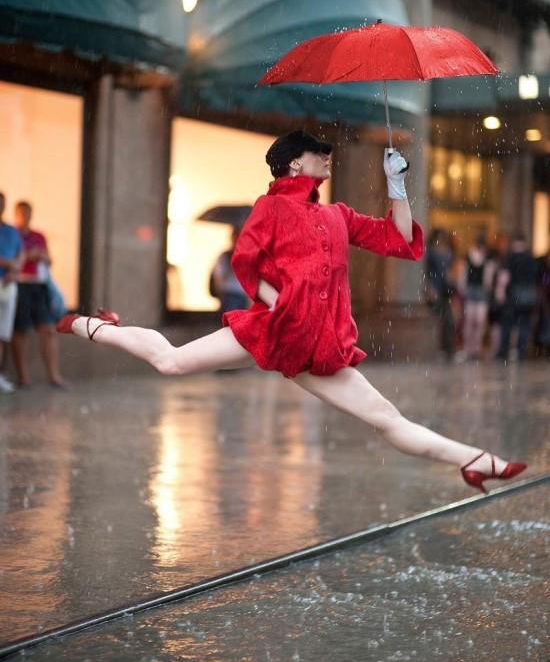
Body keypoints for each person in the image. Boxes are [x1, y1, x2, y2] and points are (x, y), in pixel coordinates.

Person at [57, 130, 526, 493]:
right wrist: (277, 304)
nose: (327, 156)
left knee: (385, 417)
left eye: (327, 150)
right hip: (271, 328)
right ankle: (93, 326)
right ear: (295, 162)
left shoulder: (337, 214)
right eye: (317, 152)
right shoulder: (270, 207)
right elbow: (245, 260)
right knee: (171, 361)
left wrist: (396, 184)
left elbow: (399, 239)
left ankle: (476, 461)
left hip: (317, 344)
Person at [12, 201, 67, 388]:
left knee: (49, 329)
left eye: (27, 213)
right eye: (21, 214)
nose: (25, 217)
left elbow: (49, 258)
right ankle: (24, 377)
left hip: (39, 285)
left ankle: (54, 375)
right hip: (20, 284)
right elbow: (13, 259)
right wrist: (28, 255)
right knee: (20, 331)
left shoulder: (38, 236)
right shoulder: (13, 234)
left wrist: (40, 255)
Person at [496, 233, 538, 361]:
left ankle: (504, 351)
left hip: (514, 295)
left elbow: (504, 276)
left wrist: (500, 291)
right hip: (529, 296)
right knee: (524, 325)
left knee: (508, 323)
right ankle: (521, 352)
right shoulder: (532, 259)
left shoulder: (510, 258)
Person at [457, 233, 496, 359]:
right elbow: (463, 273)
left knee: (479, 319)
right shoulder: (469, 256)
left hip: (481, 290)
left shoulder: (487, 258)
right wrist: (462, 286)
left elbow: (488, 276)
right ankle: (469, 346)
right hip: (471, 289)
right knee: (470, 319)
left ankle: (476, 346)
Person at [0, 192, 24, 393]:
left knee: (3, 332)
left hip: (7, 285)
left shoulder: (10, 231)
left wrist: (14, 269)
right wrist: (8, 263)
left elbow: (21, 253)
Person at [424, 228, 456, 360]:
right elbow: (425, 271)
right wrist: (429, 287)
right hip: (435, 288)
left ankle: (449, 350)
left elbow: (449, 270)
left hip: (446, 289)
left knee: (449, 320)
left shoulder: (448, 252)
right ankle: (438, 349)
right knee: (437, 320)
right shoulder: (429, 253)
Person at [209, 228, 250, 315]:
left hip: (241, 293)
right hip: (230, 293)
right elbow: (219, 276)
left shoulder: (245, 256)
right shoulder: (226, 256)